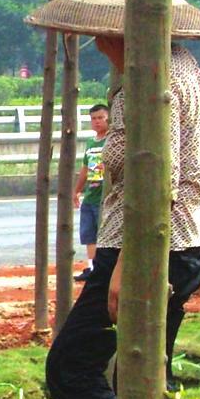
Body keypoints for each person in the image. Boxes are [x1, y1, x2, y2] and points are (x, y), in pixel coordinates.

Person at [29, 0, 200, 399]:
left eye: (104, 36)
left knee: (72, 368)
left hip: (146, 244)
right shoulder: (181, 69)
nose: (97, 47)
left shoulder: (148, 78)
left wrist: (126, 266)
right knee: (150, 380)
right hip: (177, 243)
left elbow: (152, 173)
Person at [72, 102, 110, 281]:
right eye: (93, 118)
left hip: (105, 195)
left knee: (104, 233)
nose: (97, 122)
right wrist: (77, 191)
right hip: (91, 194)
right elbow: (85, 169)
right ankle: (92, 267)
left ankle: (104, 269)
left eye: (100, 118)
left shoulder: (111, 140)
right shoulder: (90, 142)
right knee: (89, 233)